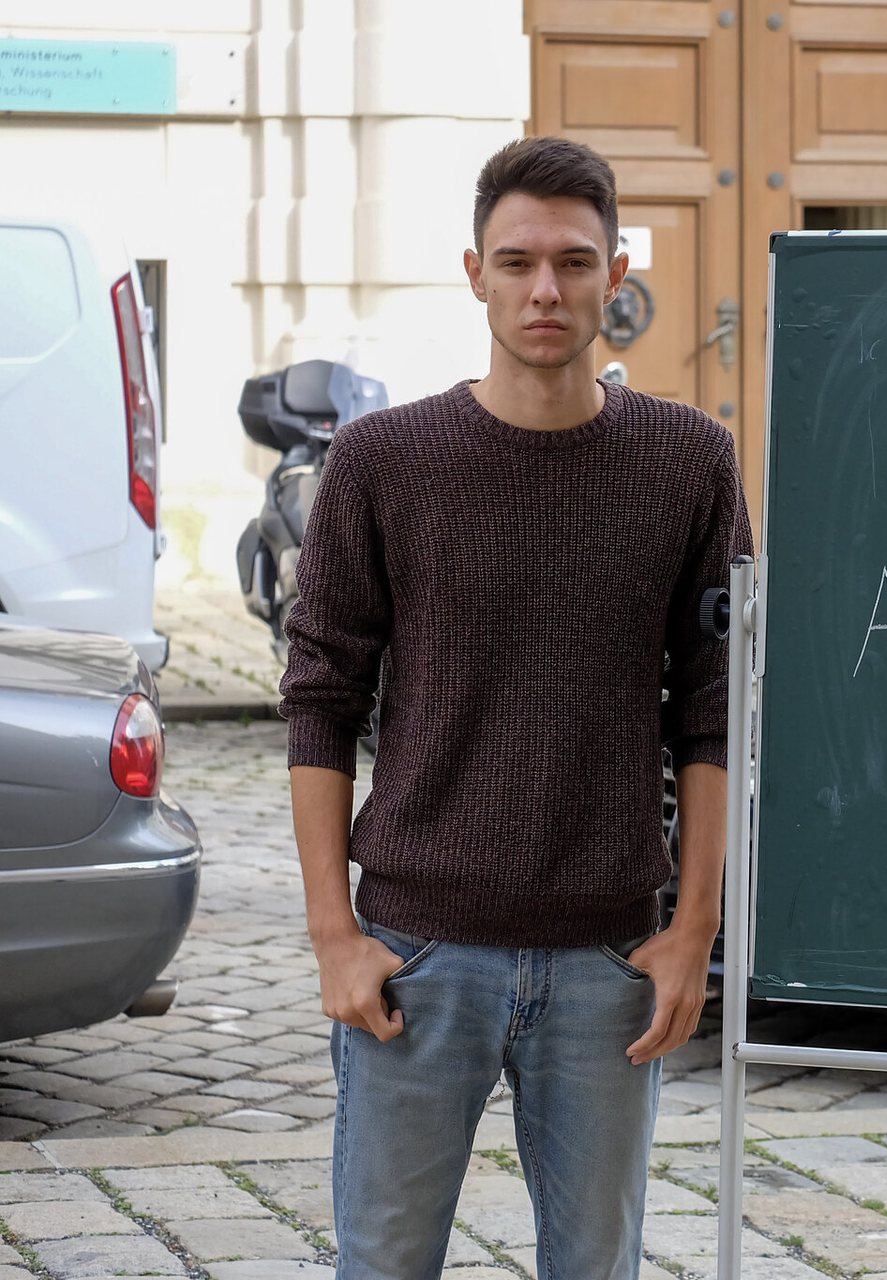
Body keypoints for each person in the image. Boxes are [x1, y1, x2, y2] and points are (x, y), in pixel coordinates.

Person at [279, 136, 751, 1279]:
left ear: (617, 270)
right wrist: (336, 933)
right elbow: (319, 693)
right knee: (383, 1261)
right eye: (519, 261)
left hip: (607, 958)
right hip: (416, 951)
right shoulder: (384, 460)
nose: (547, 288)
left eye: (575, 262)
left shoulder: (690, 460)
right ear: (474, 271)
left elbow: (717, 704)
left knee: (597, 1265)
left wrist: (693, 931)